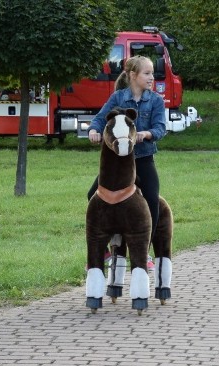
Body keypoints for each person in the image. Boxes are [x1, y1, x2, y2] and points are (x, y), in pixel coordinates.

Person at [87, 56, 166, 253]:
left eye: (152, 74)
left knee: (152, 199)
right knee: (92, 195)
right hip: (119, 164)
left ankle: (144, 249)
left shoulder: (156, 100)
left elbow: (160, 129)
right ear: (133, 75)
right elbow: (99, 119)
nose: (151, 78)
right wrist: (93, 131)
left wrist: (146, 134)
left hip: (143, 159)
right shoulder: (118, 98)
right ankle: (105, 245)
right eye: (147, 73)